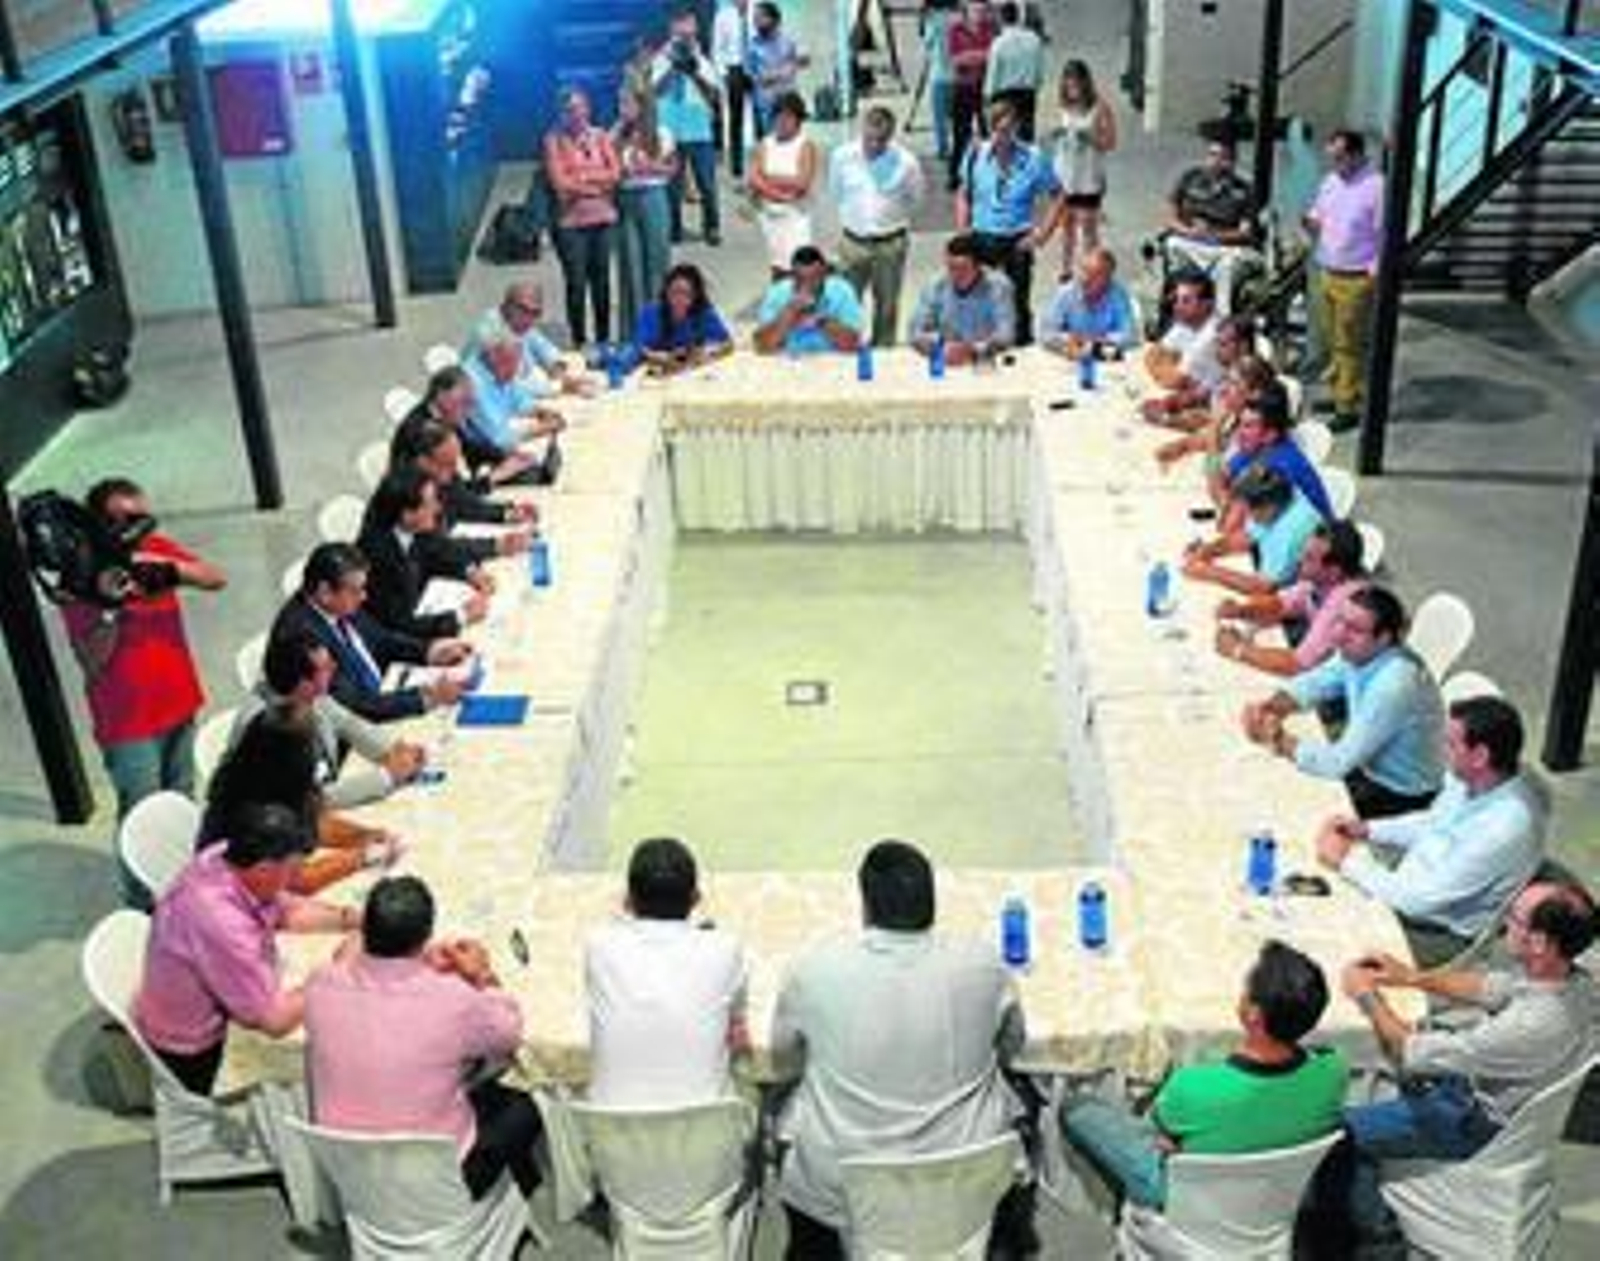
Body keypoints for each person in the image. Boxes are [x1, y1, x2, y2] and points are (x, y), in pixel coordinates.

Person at [771, 840, 1033, 1258]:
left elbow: (782, 1059)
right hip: (967, 1176)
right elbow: (1013, 1044)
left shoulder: (815, 970)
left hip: (842, 1184)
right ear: (933, 900)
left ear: (866, 907)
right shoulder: (984, 965)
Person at [1311, 881, 1597, 1254]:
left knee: (1335, 1132)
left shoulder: (1531, 1024)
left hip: (1470, 1120)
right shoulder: (1572, 980)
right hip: (1489, 1090)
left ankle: (1375, 1236)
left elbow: (1406, 1052)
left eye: (1514, 918)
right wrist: (1410, 977)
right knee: (1412, 1046)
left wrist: (1366, 995)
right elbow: (1489, 987)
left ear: (1539, 942)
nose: (1503, 924)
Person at [1063, 940, 1348, 1210]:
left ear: (1253, 1014)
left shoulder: (1193, 1086)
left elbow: (1159, 1135)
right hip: (1272, 1203)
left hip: (1185, 1205)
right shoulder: (1334, 1070)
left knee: (1078, 1109)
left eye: (1245, 987)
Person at [305, 875, 543, 1199]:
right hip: (437, 1184)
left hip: (351, 1177)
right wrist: (482, 975)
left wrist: (417, 960)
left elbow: (347, 956)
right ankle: (514, 1191)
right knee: (523, 1107)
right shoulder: (452, 1000)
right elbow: (508, 1033)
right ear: (426, 935)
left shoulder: (319, 984)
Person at [60, 478, 227, 905]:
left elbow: (216, 577)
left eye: (141, 518)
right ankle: (143, 904)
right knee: (141, 814)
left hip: (179, 702)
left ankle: (184, 889)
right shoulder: (81, 575)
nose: (136, 530)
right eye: (125, 521)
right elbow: (91, 661)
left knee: (180, 801)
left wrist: (172, 571)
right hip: (130, 722)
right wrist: (111, 608)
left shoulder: (158, 548)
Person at [133, 801, 357, 1096]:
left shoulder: (224, 856)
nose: (295, 879)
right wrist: (338, 969)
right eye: (293, 870)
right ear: (265, 869)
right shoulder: (220, 920)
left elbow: (283, 908)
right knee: (331, 1069)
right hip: (192, 1052)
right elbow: (275, 1021)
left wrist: (348, 919)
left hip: (202, 1003)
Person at [1315, 695, 1548, 968]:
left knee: (1326, 947)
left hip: (1434, 931)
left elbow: (1419, 901)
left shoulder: (1506, 827)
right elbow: (1433, 824)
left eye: (1451, 744)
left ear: (1480, 756)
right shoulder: (1474, 778)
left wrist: (1345, 862)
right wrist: (1368, 830)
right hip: (1407, 882)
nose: (1441, 748)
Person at [1242, 585, 1447, 819]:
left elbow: (1337, 764)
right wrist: (1270, 707)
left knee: (1281, 803)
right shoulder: (1360, 652)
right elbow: (1315, 683)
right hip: (1366, 767)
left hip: (1398, 795)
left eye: (1355, 629)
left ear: (1384, 638)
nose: (1338, 634)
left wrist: (1277, 739)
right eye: (1340, 620)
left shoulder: (1393, 685)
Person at [585, 837, 749, 1106]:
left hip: (613, 1142)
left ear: (627, 901)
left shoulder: (598, 947)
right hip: (706, 1143)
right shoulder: (726, 949)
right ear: (696, 898)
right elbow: (737, 1019)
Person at [202, 704, 402, 896]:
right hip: (233, 902)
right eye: (311, 752)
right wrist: (362, 856)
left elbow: (314, 822)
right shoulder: (255, 811)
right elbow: (299, 881)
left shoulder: (273, 774)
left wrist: (363, 835)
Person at [271, 542, 472, 724]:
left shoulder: (338, 604)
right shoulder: (304, 640)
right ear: (325, 592)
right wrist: (426, 697)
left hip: (383, 694)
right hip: (356, 727)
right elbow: (356, 705)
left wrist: (429, 651)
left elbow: (380, 639)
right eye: (356, 590)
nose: (364, 597)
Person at [233, 630, 424, 810]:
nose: (334, 667)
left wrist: (395, 748)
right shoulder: (268, 730)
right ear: (303, 684)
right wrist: (386, 777)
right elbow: (309, 801)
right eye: (325, 667)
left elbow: (349, 723)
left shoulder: (304, 694)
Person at [955, 97, 1061, 346]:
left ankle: (1021, 350)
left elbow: (1058, 196)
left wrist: (1042, 235)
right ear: (990, 129)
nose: (1003, 137)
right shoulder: (976, 154)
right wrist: (963, 230)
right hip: (983, 236)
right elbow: (963, 192)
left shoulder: (1033, 158)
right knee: (978, 301)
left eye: (1009, 130)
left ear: (1017, 128)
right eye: (998, 130)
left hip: (1016, 239)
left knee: (1018, 304)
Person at [1213, 519, 1368, 678]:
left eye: (1309, 558)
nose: (1300, 559)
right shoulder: (1320, 580)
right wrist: (1241, 610)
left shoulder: (1344, 604)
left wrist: (1237, 649)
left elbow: (1298, 664)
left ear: (1333, 571)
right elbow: (1282, 603)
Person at [1304, 129, 1384, 433]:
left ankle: (1347, 406)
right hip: (1329, 269)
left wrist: (1372, 274)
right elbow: (1319, 214)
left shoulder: (1376, 186)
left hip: (1356, 275)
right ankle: (1342, 390)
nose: (1334, 164)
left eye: (1339, 158)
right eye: (1331, 159)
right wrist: (1310, 221)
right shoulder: (1331, 181)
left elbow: (1383, 232)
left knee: (1348, 343)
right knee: (1332, 338)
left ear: (1355, 154)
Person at [357, 466, 491, 642]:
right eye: (430, 504)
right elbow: (398, 623)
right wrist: (460, 616)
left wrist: (468, 571)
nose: (438, 508)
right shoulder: (378, 555)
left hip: (424, 606)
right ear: (407, 515)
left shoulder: (412, 528)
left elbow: (437, 555)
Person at [830, 106, 926, 347]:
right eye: (870, 138)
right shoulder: (842, 156)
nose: (874, 145)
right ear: (862, 129)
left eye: (881, 140)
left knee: (887, 305)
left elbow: (916, 200)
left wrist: (890, 220)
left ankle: (883, 354)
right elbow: (836, 192)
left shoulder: (907, 162)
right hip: (853, 242)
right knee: (845, 304)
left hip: (890, 243)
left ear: (891, 136)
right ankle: (846, 351)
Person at [544, 87, 621, 347]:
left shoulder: (600, 136)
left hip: (603, 219)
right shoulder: (553, 139)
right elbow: (559, 183)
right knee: (576, 283)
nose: (577, 114)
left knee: (602, 281)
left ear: (588, 108)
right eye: (570, 110)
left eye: (581, 107)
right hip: (571, 224)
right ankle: (579, 340)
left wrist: (581, 178)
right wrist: (595, 184)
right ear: (562, 113)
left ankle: (602, 338)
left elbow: (615, 173)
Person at [1182, 465, 1324, 597]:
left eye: (1250, 511)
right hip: (1265, 569)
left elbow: (1261, 587)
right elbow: (1246, 537)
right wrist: (1208, 550)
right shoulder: (1278, 497)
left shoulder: (1291, 534)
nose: (1247, 517)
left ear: (1269, 507)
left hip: (1295, 598)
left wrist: (1209, 572)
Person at [389, 416, 540, 541]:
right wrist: (495, 546)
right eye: (448, 464)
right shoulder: (412, 500)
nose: (454, 471)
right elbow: (437, 549)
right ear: (423, 461)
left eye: (456, 461)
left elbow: (463, 502)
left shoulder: (437, 477)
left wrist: (506, 513)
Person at [405, 365, 544, 491]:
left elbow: (470, 448)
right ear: (442, 395)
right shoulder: (425, 430)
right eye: (464, 401)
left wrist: (504, 457)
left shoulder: (443, 416)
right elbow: (451, 496)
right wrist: (494, 478)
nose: (469, 408)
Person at [1162, 139, 1260, 316]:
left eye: (1223, 157)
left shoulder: (1244, 190)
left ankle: (1220, 318)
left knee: (1227, 265)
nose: (1217, 161)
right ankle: (1181, 308)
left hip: (1222, 247)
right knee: (1172, 244)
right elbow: (1169, 218)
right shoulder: (1190, 177)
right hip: (1191, 243)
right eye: (1212, 155)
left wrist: (1213, 235)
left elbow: (1245, 232)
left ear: (1232, 162)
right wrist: (1190, 232)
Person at [1039, 59, 1115, 280]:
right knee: (1066, 224)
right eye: (1068, 84)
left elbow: (1110, 142)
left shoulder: (1100, 107)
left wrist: (1092, 137)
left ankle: (1092, 268)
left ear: (1085, 83)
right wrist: (1055, 133)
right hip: (1064, 174)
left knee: (1088, 226)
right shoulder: (1062, 106)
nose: (1072, 89)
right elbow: (1047, 135)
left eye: (1076, 84)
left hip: (1088, 176)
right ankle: (1066, 268)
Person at [462, 323, 568, 479]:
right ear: (493, 355)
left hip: (501, 445)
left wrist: (540, 411)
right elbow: (498, 438)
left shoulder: (499, 367)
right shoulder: (473, 383)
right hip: (482, 456)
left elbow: (518, 399)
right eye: (510, 364)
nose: (514, 371)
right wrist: (541, 428)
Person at [653, 8, 722, 246]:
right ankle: (674, 228)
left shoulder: (702, 60)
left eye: (689, 28)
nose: (684, 34)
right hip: (669, 128)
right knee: (672, 184)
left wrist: (694, 72)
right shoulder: (661, 58)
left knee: (707, 183)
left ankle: (711, 226)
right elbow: (653, 91)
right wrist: (673, 66)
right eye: (679, 27)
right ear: (671, 29)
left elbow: (713, 95)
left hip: (698, 127)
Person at [613, 86, 677, 338]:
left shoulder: (660, 133)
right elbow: (610, 168)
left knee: (656, 262)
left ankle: (661, 328)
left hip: (653, 197)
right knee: (630, 264)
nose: (622, 108)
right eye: (619, 103)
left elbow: (672, 170)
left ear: (641, 106)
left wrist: (649, 166)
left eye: (626, 103)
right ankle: (633, 331)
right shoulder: (617, 134)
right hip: (626, 198)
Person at [1217, 384, 1334, 520]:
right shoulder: (1254, 447)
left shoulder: (1280, 467)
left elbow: (1238, 517)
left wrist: (1212, 433)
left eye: (1248, 426)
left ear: (1270, 434)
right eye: (1240, 424)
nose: (1239, 433)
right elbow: (1222, 479)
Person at [467, 282, 592, 397]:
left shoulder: (518, 323)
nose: (529, 318)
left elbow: (543, 347)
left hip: (526, 388)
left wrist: (556, 366)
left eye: (536, 312)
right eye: (524, 309)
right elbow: (509, 385)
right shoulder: (491, 334)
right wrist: (558, 386)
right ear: (507, 306)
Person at [907, 232, 1016, 362]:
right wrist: (939, 346)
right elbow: (915, 331)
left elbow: (1006, 334)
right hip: (944, 358)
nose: (956, 274)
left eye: (963, 268)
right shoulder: (936, 285)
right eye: (951, 267)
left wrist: (972, 349)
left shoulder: (998, 286)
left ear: (978, 266)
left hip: (984, 361)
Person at [749, 91, 819, 277]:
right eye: (778, 116)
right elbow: (754, 179)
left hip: (796, 216)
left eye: (788, 117)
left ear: (798, 120)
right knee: (777, 264)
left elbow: (802, 182)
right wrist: (780, 195)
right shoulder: (765, 143)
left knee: (799, 265)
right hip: (770, 216)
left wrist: (768, 177)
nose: (782, 122)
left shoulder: (805, 145)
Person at [753, 245, 864, 355]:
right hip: (789, 361)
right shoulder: (777, 293)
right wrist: (789, 313)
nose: (807, 286)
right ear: (792, 275)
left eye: (813, 279)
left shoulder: (842, 291)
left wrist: (821, 321)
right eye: (801, 280)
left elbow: (852, 344)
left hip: (831, 359)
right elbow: (762, 346)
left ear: (824, 274)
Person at [633, 262, 735, 375]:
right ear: (666, 292)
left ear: (695, 295)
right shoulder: (651, 313)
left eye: (686, 294)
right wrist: (662, 357)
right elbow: (639, 348)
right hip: (658, 369)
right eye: (674, 292)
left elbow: (727, 344)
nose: (679, 299)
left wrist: (708, 354)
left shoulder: (703, 314)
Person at [1037, 246, 1138, 357]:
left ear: (1108, 278)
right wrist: (1071, 338)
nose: (1086, 278)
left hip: (1105, 356)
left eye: (1095, 274)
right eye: (1084, 271)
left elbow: (1131, 336)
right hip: (1069, 356)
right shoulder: (1066, 293)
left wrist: (1099, 340)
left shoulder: (1118, 294)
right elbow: (1045, 333)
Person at [1141, 270, 1222, 401]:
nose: (1177, 306)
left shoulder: (1213, 334)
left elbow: (1174, 381)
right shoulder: (1187, 322)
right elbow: (1152, 354)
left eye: (1186, 300)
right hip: (1190, 395)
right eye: (1177, 299)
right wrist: (1172, 368)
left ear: (1207, 305)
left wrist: (1168, 368)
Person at [945, 0, 996, 190]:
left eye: (983, 11)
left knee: (988, 133)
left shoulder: (991, 29)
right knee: (960, 135)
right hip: (963, 88)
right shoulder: (955, 30)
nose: (980, 14)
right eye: (976, 10)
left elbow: (994, 55)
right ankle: (955, 175)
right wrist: (982, 55)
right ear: (966, 11)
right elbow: (956, 59)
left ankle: (989, 175)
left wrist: (971, 56)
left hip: (985, 88)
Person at [982, 2, 1044, 140]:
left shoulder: (999, 43)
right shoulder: (1034, 39)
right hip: (1028, 92)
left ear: (1001, 19)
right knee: (1027, 131)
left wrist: (987, 96)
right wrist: (1036, 85)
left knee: (1006, 133)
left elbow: (993, 72)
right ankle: (1028, 159)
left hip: (1005, 94)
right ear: (1018, 17)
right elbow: (1039, 69)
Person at [746, 1, 806, 137]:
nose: (756, 22)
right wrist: (767, 78)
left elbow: (804, 58)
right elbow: (750, 75)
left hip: (788, 101)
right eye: (754, 19)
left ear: (773, 19)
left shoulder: (788, 40)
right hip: (765, 105)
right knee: (770, 144)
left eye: (760, 18)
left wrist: (793, 65)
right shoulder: (752, 45)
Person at [712, 0, 754, 178]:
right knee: (736, 119)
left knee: (761, 116)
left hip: (757, 67)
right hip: (734, 69)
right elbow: (717, 48)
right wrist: (724, 74)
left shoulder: (759, 10)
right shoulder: (723, 16)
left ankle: (765, 161)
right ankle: (737, 167)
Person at [919, 0, 957, 162]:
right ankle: (959, 146)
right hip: (958, 75)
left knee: (940, 117)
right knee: (957, 116)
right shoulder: (958, 18)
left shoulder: (932, 21)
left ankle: (943, 149)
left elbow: (927, 45)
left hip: (939, 75)